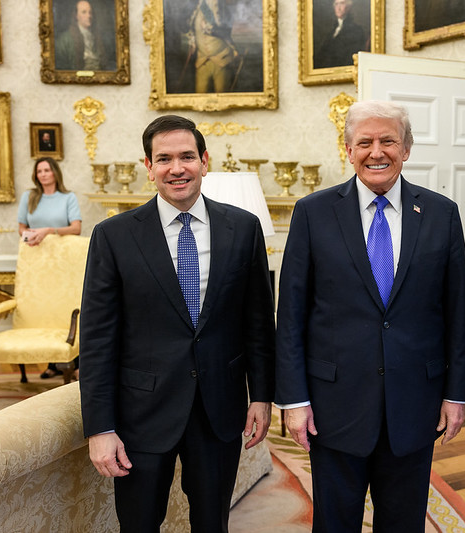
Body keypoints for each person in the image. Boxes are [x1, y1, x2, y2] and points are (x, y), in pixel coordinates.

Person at [276, 100, 465, 532]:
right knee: (335, 524)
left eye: (388, 140)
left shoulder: (441, 213)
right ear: (348, 150)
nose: (376, 152)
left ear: (406, 148)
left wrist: (457, 393)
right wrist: (294, 401)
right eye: (364, 142)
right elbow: (290, 316)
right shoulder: (312, 212)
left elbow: (458, 313)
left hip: (415, 405)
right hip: (333, 407)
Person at [79, 115, 275, 531]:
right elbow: (96, 341)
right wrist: (100, 428)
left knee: (212, 523)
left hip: (219, 410)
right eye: (164, 159)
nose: (177, 168)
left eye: (187, 156)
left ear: (204, 161)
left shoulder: (243, 228)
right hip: (141, 415)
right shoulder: (113, 236)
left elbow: (257, 323)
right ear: (148, 167)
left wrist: (261, 396)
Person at [17, 157, 83, 379]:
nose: (43, 174)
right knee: (44, 306)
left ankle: (74, 361)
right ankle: (52, 364)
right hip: (37, 259)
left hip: (64, 260)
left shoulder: (67, 197)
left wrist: (48, 231)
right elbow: (21, 227)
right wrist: (30, 236)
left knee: (63, 306)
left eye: (47, 170)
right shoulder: (29, 197)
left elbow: (76, 228)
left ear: (55, 172)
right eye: (39, 171)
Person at [185, 0, 241, 93]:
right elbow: (191, 29)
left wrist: (208, 27)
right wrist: (193, 42)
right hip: (202, 61)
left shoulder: (221, 7)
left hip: (221, 59)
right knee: (201, 94)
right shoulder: (197, 8)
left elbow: (224, 29)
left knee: (222, 93)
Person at [55, 0, 114, 71]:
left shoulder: (97, 37)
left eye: (90, 12)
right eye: (84, 12)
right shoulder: (65, 39)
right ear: (76, 16)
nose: (89, 16)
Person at [314, 0, 365, 69]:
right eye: (336, 4)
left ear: (349, 6)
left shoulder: (356, 30)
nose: (338, 8)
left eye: (342, 3)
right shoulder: (332, 31)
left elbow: (351, 57)